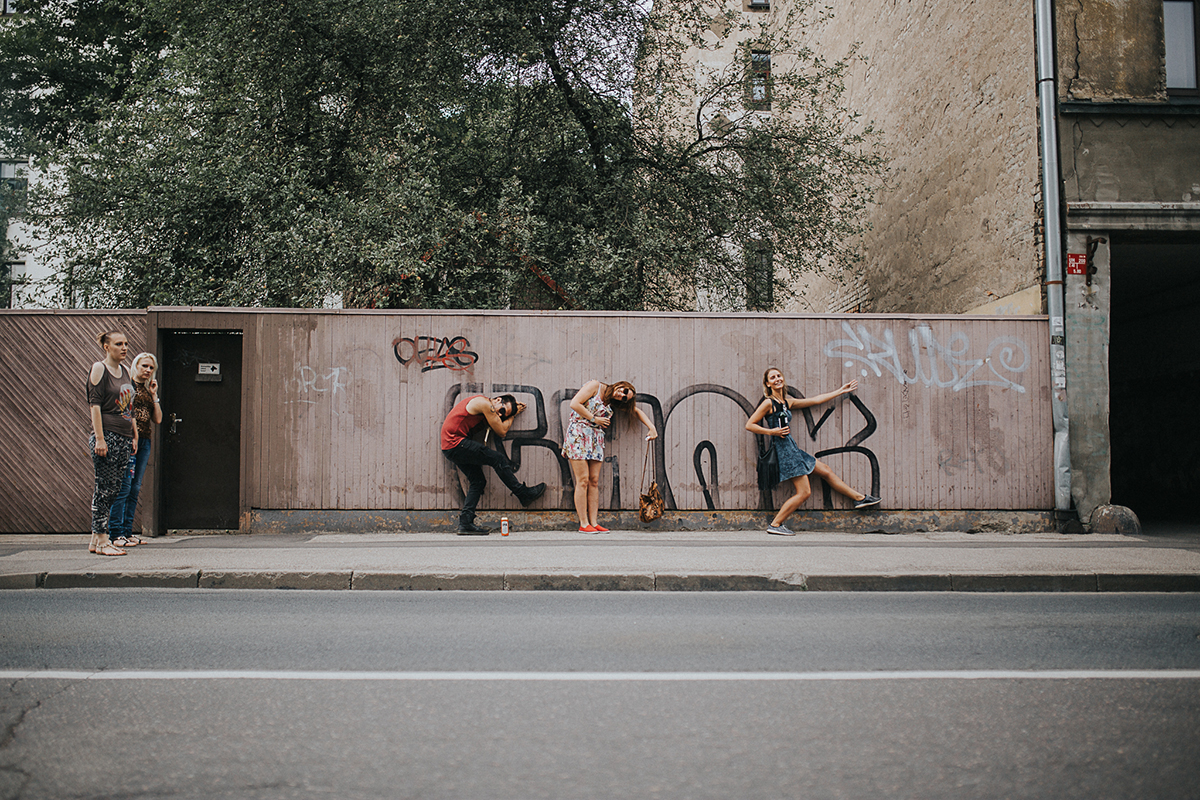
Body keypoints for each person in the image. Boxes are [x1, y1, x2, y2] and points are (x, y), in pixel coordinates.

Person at [745, 367, 880, 535]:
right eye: (772, 378)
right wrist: (772, 432)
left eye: (779, 375)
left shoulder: (786, 402)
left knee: (826, 471)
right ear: (767, 383)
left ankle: (860, 499)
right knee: (804, 492)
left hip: (792, 449)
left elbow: (815, 400)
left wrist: (840, 391)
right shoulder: (768, 403)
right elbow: (750, 425)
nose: (777, 379)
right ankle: (775, 524)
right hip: (785, 452)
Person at [441, 393, 547, 534]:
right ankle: (523, 494)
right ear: (498, 399)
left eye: (503, 415)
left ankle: (465, 523)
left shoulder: (486, 411)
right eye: (502, 410)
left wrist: (511, 414)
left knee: (478, 481)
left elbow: (500, 426)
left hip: (451, 447)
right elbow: (502, 431)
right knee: (498, 459)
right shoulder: (485, 404)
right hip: (455, 443)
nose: (499, 415)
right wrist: (513, 416)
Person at [562, 380, 658, 532]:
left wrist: (652, 427)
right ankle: (584, 523)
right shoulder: (595, 386)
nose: (621, 395)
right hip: (578, 434)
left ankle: (594, 522)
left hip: (596, 438)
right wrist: (594, 419)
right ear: (622, 384)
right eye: (624, 391)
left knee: (594, 481)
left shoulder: (612, 402)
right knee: (583, 480)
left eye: (625, 397)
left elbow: (636, 411)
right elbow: (574, 403)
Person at [86, 331, 137, 556]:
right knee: (104, 489)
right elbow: (94, 405)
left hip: (124, 436)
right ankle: (103, 539)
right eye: (118, 344)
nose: (124, 347)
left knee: (115, 489)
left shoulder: (125, 370)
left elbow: (128, 407)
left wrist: (133, 435)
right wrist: (100, 438)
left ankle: (95, 540)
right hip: (108, 435)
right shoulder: (100, 368)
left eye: (125, 343)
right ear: (107, 347)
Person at [108, 352, 162, 546]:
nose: (147, 370)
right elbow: (123, 413)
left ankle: (127, 532)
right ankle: (115, 533)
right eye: (144, 366)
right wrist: (132, 437)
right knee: (124, 486)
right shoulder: (126, 385)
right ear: (136, 366)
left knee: (135, 487)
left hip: (145, 441)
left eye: (151, 368)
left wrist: (154, 396)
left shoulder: (147, 390)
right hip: (129, 441)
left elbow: (158, 419)